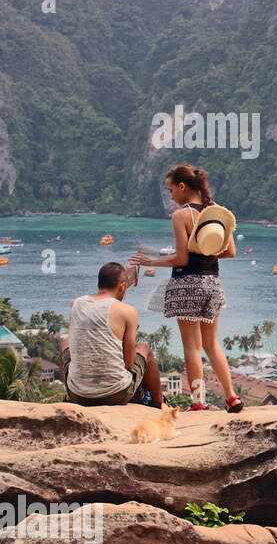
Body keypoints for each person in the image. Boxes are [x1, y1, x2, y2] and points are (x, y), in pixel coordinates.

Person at [130, 164, 243, 412]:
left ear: (182, 187)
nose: (170, 196)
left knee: (192, 346)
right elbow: (231, 252)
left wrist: (151, 262)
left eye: (171, 190)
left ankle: (198, 402)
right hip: (213, 283)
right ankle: (232, 397)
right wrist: (205, 251)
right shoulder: (218, 213)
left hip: (187, 285)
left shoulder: (181, 216)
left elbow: (180, 260)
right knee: (212, 344)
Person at [59, 262, 163, 407]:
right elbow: (128, 363)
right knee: (144, 348)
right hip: (116, 394)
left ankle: (68, 397)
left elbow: (98, 302)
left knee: (65, 342)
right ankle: (158, 404)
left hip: (78, 395)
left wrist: (124, 283)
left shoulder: (76, 304)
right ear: (122, 286)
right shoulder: (128, 311)